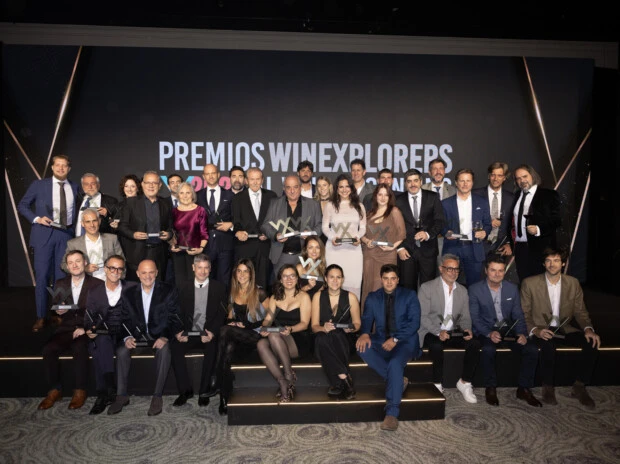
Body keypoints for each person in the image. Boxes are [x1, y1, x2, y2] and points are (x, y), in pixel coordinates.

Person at [521, 247, 601, 408]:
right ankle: (548, 387)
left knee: (592, 342)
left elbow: (580, 311)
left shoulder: (573, 283)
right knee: (548, 345)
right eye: (548, 261)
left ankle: (579, 386)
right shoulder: (529, 283)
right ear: (544, 264)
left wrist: (588, 329)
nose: (552, 264)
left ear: (563, 263)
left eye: (556, 260)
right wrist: (536, 330)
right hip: (541, 327)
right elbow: (524, 313)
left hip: (564, 327)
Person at [108, 259, 181, 416]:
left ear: (156, 273)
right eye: (144, 273)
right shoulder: (128, 293)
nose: (148, 276)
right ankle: (121, 395)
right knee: (121, 351)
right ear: (137, 274)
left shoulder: (168, 290)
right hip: (136, 336)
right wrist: (127, 337)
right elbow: (123, 318)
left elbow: (175, 318)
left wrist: (165, 337)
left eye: (151, 272)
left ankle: (157, 396)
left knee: (165, 350)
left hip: (158, 336)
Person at [468, 255, 541, 407]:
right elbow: (475, 318)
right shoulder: (475, 289)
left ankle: (524, 388)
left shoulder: (512, 288)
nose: (497, 274)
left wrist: (521, 333)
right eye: (493, 270)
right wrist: (489, 333)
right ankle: (490, 387)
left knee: (531, 349)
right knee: (488, 349)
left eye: (501, 270)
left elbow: (518, 314)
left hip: (508, 329)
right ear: (486, 271)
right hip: (486, 329)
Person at [356, 264, 421, 431]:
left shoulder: (409, 295)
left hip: (405, 341)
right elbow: (367, 319)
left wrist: (396, 338)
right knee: (362, 347)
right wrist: (364, 333)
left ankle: (392, 413)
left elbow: (414, 323)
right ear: (381, 279)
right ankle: (398, 380)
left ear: (398, 280)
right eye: (386, 278)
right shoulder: (373, 297)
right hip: (381, 339)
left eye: (393, 278)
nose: (389, 282)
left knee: (394, 364)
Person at [18, 154, 78, 332]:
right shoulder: (39, 185)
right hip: (43, 235)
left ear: (69, 168)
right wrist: (37, 218)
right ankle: (41, 316)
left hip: (65, 235)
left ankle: (58, 314)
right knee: (42, 276)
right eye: (57, 165)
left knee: (61, 278)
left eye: (64, 165)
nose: (61, 168)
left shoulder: (75, 187)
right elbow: (22, 205)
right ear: (52, 167)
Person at [37, 250, 104, 410]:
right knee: (48, 349)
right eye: (71, 262)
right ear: (67, 266)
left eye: (78, 261)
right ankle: (55, 390)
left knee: (79, 347)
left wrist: (85, 328)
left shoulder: (97, 284)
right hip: (65, 328)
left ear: (85, 263)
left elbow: (102, 312)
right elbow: (54, 309)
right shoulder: (60, 283)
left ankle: (80, 391)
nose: (74, 265)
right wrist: (58, 311)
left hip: (86, 329)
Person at [418, 254, 480, 403]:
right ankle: (437, 384)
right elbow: (422, 317)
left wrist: (467, 329)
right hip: (431, 330)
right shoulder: (427, 288)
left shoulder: (462, 291)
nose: (453, 272)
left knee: (474, 343)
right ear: (441, 269)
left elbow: (465, 317)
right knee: (436, 345)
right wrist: (438, 332)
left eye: (456, 269)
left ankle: (465, 382)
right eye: (449, 269)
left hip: (453, 331)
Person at [170, 254, 227, 407]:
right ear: (193, 268)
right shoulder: (182, 287)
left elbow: (222, 313)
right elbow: (175, 312)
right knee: (174, 346)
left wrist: (212, 332)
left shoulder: (219, 287)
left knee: (213, 348)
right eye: (199, 267)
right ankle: (185, 390)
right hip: (188, 333)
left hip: (207, 333)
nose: (203, 271)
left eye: (206, 268)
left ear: (210, 269)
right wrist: (179, 332)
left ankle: (204, 391)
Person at [215, 259, 269, 415]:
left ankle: (216, 375)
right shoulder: (233, 292)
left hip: (255, 336)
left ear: (251, 274)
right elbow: (229, 318)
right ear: (235, 273)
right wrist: (233, 323)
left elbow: (269, 320)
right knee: (228, 347)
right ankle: (224, 397)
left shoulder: (260, 293)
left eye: (246, 271)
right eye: (239, 271)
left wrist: (246, 325)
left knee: (224, 331)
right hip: (238, 336)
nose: (242, 274)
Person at [84, 255, 135, 415]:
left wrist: (130, 335)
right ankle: (108, 389)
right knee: (101, 342)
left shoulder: (132, 288)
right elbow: (88, 318)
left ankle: (104, 394)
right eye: (112, 268)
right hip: (103, 334)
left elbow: (138, 315)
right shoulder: (94, 292)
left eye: (119, 269)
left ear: (123, 271)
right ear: (105, 269)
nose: (116, 272)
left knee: (99, 348)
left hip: (123, 335)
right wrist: (89, 329)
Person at [258, 265, 312, 402]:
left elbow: (305, 323)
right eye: (285, 276)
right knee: (261, 344)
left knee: (274, 335)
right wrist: (265, 327)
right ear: (280, 280)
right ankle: (282, 380)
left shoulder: (304, 297)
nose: (289, 279)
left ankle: (289, 375)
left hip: (298, 339)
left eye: (292, 275)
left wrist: (291, 329)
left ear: (297, 278)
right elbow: (268, 319)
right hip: (278, 339)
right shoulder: (274, 297)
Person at [503, 164, 562, 281]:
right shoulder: (516, 196)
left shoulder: (548, 195)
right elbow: (511, 223)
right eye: (518, 178)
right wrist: (511, 242)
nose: (522, 181)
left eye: (525, 176)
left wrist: (539, 229)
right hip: (520, 249)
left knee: (541, 285)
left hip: (541, 249)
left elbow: (557, 220)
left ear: (533, 176)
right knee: (524, 283)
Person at [311, 264, 361, 399]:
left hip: (344, 339)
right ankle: (345, 378)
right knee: (322, 337)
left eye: (338, 277)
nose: (335, 280)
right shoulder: (318, 296)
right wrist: (323, 328)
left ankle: (337, 384)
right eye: (331, 277)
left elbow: (357, 324)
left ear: (342, 279)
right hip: (323, 337)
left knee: (335, 334)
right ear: (325, 279)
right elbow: (314, 326)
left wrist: (351, 328)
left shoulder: (351, 297)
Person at [262, 175, 322, 279]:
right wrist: (276, 235)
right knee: (282, 286)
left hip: (305, 255)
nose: (292, 191)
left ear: (300, 187)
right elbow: (265, 225)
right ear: (284, 188)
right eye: (288, 187)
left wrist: (311, 233)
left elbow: (320, 225)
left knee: (305, 286)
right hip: (281, 256)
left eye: (295, 187)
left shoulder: (313, 204)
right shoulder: (275, 203)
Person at [117, 171, 173, 281]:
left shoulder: (165, 204)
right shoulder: (130, 203)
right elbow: (122, 226)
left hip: (159, 253)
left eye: (154, 183)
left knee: (158, 286)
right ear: (142, 184)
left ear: (160, 185)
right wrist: (133, 234)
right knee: (136, 286)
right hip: (137, 253)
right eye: (148, 183)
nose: (151, 186)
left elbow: (170, 227)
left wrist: (169, 234)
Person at [395, 169, 445, 290]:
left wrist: (427, 234)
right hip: (406, 251)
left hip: (428, 251)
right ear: (405, 183)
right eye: (409, 181)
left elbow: (440, 221)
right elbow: (394, 226)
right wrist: (399, 248)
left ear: (421, 181)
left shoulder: (433, 197)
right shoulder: (398, 200)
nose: (413, 184)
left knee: (428, 289)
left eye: (416, 180)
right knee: (407, 289)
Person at [441, 169, 491, 286]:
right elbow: (440, 225)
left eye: (468, 181)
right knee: (450, 284)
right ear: (456, 182)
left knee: (474, 286)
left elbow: (488, 224)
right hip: (453, 248)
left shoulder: (482, 202)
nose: (465, 184)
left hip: (474, 248)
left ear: (472, 183)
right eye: (462, 181)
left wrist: (485, 232)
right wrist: (445, 232)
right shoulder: (445, 203)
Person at [361, 184, 406, 309]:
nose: (383, 198)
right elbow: (361, 234)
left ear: (390, 197)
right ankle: (368, 319)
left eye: (386, 195)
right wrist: (366, 241)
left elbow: (402, 234)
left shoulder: (394, 212)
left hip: (387, 256)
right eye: (380, 194)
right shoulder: (369, 214)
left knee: (382, 288)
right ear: (375, 196)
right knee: (369, 288)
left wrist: (393, 247)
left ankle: (384, 320)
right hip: (369, 255)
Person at [231, 167, 277, 289]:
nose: (255, 182)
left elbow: (277, 221)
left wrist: (270, 233)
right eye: (252, 179)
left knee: (263, 285)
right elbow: (236, 221)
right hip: (245, 247)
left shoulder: (272, 196)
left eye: (258, 179)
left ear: (262, 180)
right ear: (246, 180)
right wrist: (238, 232)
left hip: (265, 248)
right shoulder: (237, 198)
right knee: (244, 284)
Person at [322, 174, 366, 300]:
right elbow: (325, 227)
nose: (344, 190)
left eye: (347, 186)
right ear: (336, 189)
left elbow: (363, 228)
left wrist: (357, 237)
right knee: (334, 283)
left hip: (354, 252)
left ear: (351, 188)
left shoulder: (359, 206)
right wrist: (332, 237)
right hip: (334, 251)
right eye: (341, 187)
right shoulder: (330, 205)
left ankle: (353, 312)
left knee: (354, 283)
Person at [196, 164, 235, 287]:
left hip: (225, 243)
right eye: (207, 174)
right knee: (205, 278)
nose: (211, 176)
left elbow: (238, 217)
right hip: (205, 244)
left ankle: (223, 301)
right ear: (203, 176)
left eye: (213, 173)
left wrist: (232, 224)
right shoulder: (197, 196)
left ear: (218, 175)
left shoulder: (229, 195)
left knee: (224, 280)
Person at [64, 208, 124, 281]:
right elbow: (64, 265)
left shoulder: (112, 239)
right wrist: (83, 268)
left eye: (94, 221)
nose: (92, 225)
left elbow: (122, 262)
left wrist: (117, 280)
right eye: (88, 222)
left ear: (99, 221)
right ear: (82, 223)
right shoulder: (73, 244)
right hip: (85, 283)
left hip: (109, 282)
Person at [169, 182, 209, 286]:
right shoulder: (174, 212)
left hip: (195, 253)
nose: (185, 196)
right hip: (178, 253)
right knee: (180, 284)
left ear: (193, 194)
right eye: (182, 193)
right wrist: (172, 244)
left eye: (188, 193)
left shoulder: (200, 211)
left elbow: (204, 233)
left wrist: (201, 248)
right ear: (178, 195)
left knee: (195, 283)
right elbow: (171, 232)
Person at [472, 162, 515, 255]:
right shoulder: (475, 194)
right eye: (493, 175)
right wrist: (487, 223)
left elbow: (513, 224)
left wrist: (509, 243)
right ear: (489, 176)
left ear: (504, 178)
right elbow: (466, 218)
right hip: (478, 245)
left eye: (499, 175)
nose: (496, 179)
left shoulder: (511, 198)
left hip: (502, 248)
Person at [422, 158, 456, 260]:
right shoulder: (421, 189)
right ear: (429, 172)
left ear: (444, 171)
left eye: (441, 168)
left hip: (447, 239)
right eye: (435, 169)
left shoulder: (453, 191)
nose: (438, 172)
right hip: (427, 239)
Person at [296, 236, 326, 300]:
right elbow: (293, 292)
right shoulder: (299, 268)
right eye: (310, 247)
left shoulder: (323, 268)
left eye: (317, 247)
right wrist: (308, 287)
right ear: (306, 250)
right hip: (302, 302)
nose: (314, 251)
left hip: (316, 302)